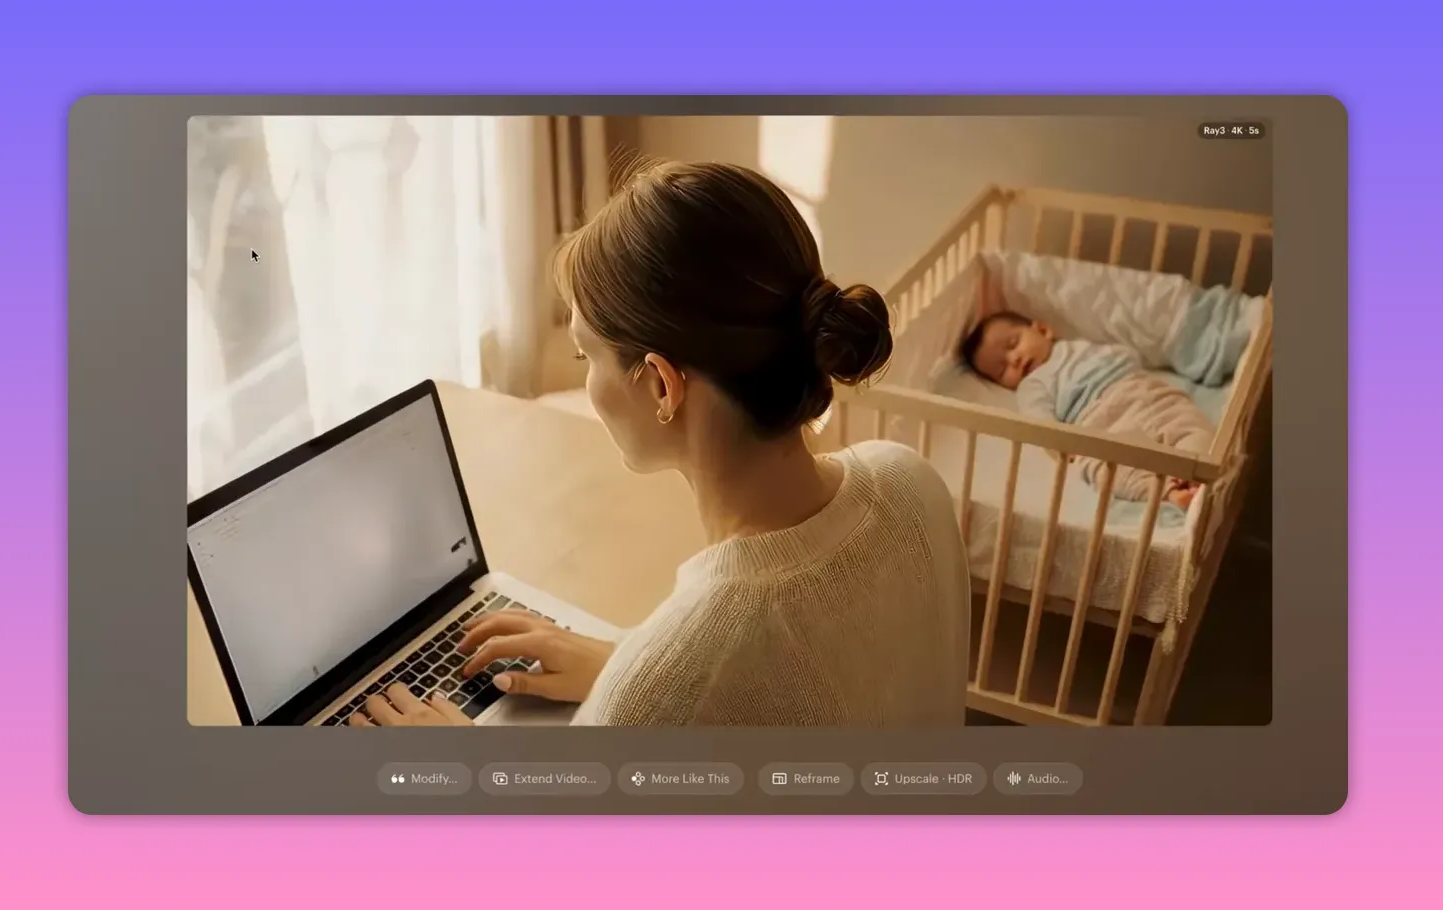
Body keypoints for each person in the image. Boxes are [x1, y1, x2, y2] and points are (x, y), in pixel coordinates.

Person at [351, 160, 971, 728]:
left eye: (584, 355)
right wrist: (628, 658)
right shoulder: (909, 481)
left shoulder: (663, 689)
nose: (585, 380)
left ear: (661, 384)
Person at [960, 311, 1212, 509]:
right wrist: (1061, 447)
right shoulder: (1032, 385)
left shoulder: (1076, 346)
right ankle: (1168, 492)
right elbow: (1040, 423)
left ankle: (1197, 470)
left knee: (1183, 420)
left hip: (1138, 391)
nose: (1013, 359)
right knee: (1102, 468)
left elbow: (1124, 355)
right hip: (1097, 422)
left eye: (1014, 343)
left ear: (1042, 329)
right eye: (1001, 369)